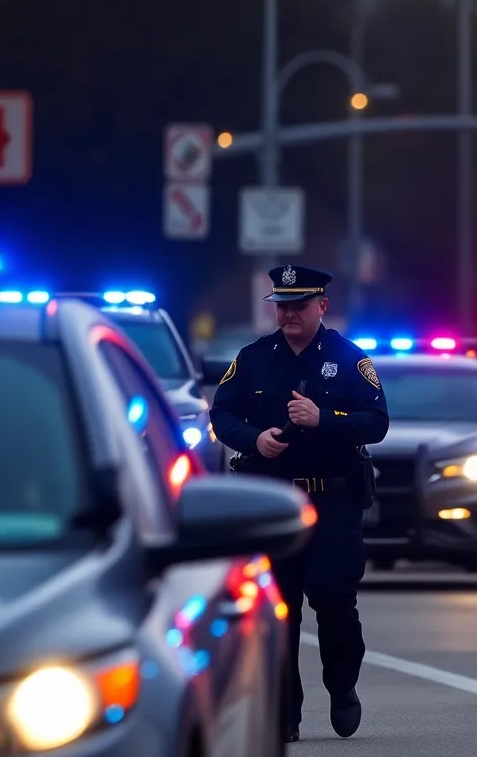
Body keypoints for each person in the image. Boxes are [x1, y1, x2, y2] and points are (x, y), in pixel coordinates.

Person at [209, 264, 389, 742]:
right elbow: (221, 413)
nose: (288, 313)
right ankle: (284, 711)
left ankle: (342, 686)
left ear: (322, 306)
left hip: (333, 500)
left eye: (299, 305)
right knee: (278, 609)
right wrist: (253, 438)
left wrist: (323, 419)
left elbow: (376, 422)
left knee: (333, 598)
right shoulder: (252, 359)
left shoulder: (350, 360)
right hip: (274, 503)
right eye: (281, 305)